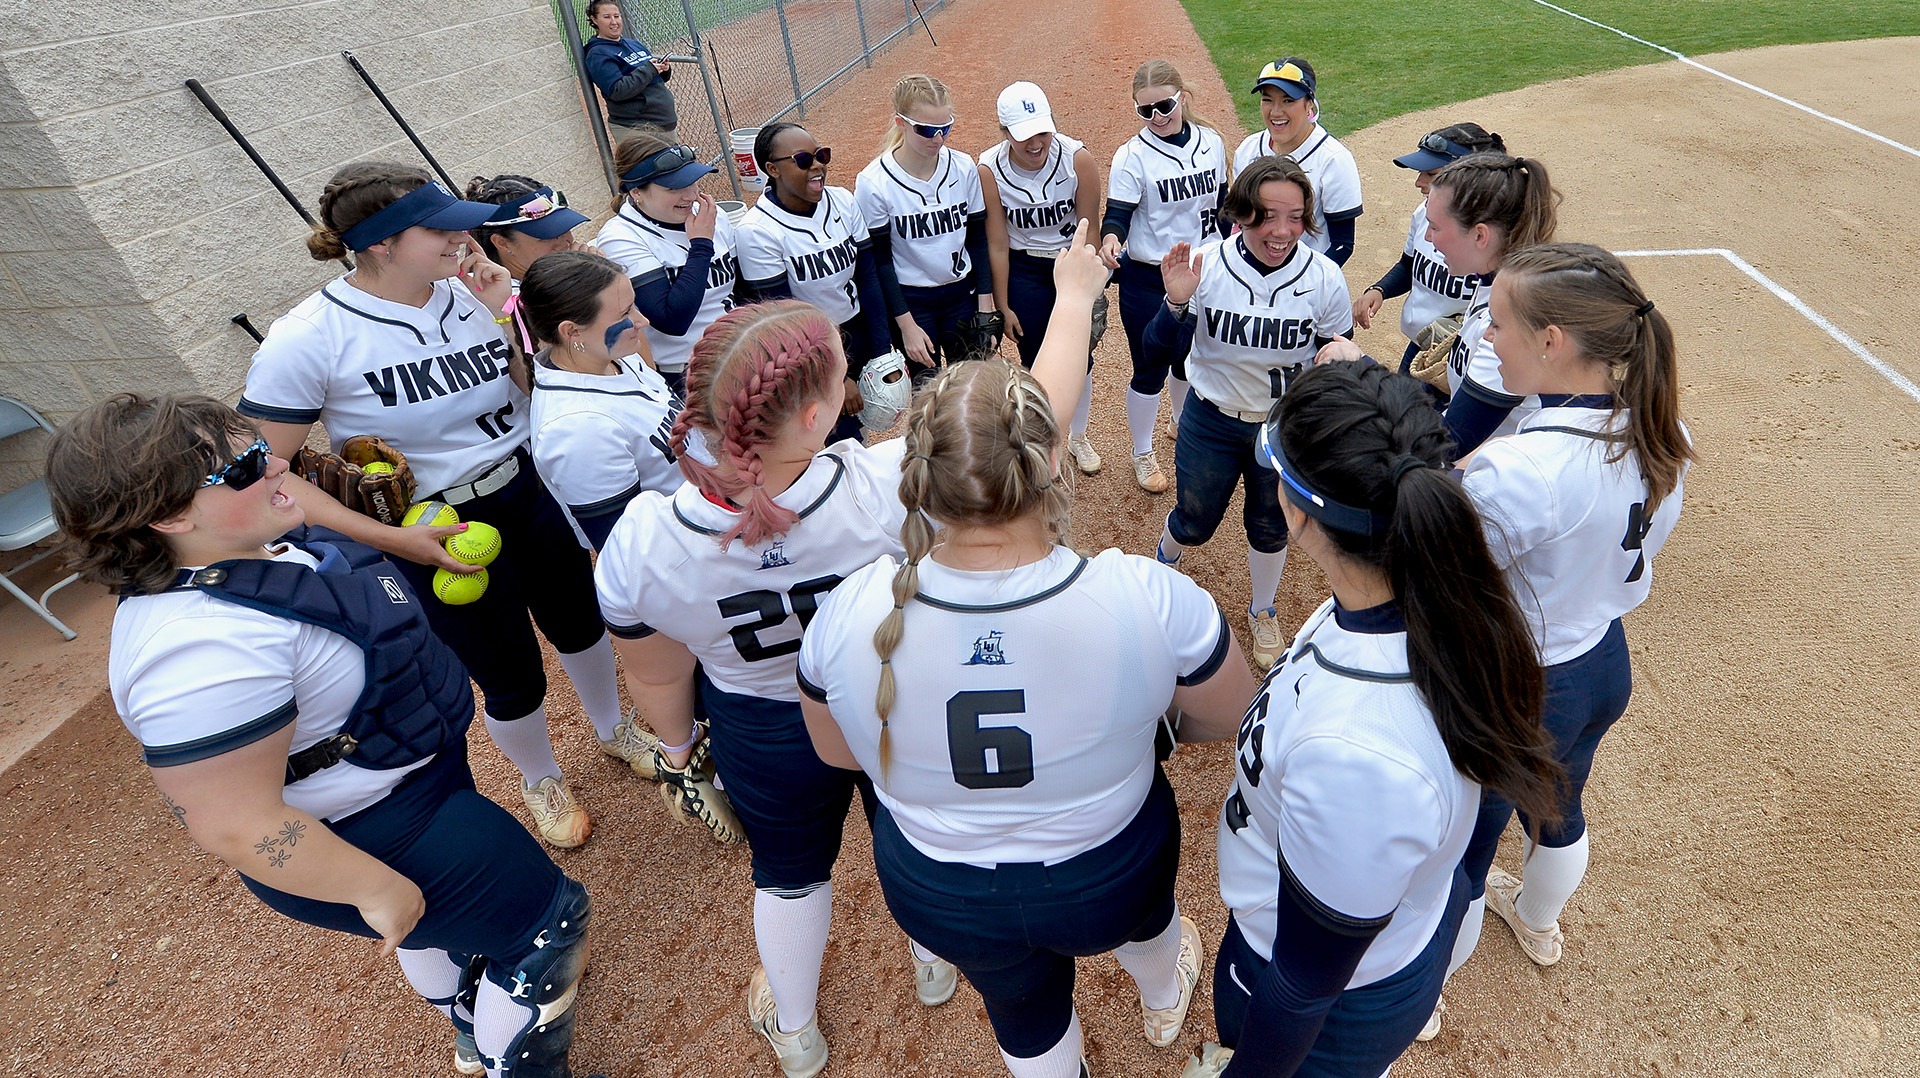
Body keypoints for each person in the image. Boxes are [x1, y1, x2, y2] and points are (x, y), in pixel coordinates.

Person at [797, 223, 1261, 1078]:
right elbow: (1232, 714)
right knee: (1150, 925)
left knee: (1020, 1012)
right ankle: (1164, 999)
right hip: (1107, 867)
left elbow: (838, 751)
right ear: (1051, 464)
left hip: (941, 889)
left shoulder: (852, 607)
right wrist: (1143, 732)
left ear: (917, 474)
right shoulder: (1140, 592)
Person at [50, 394, 600, 1078]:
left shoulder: (249, 543)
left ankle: (469, 1023)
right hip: (369, 830)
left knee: (450, 926)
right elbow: (233, 823)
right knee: (547, 924)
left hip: (406, 786)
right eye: (247, 464)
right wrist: (370, 885)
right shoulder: (193, 652)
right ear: (170, 515)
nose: (278, 461)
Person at [593, 299, 954, 1078]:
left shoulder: (642, 540)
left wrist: (681, 751)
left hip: (762, 723)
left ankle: (796, 1031)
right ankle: (935, 963)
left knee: (789, 874)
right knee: (913, 839)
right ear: (820, 414)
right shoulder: (886, 480)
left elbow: (657, 672)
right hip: (888, 702)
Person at [237, 161, 634, 850]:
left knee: (582, 620)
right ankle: (540, 777)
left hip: (530, 486)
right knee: (507, 669)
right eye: (439, 229)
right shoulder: (308, 337)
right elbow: (264, 473)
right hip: (436, 525)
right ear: (382, 243)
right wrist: (390, 543)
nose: (463, 239)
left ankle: (613, 728)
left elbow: (537, 391)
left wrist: (505, 311)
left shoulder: (471, 293)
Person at [1187, 361, 1562, 1078]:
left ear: (1296, 513)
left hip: (1325, 1002)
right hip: (1375, 956)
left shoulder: (1359, 755)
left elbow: (1302, 984)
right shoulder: (1420, 596)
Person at [1431, 242, 1692, 1033]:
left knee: (1460, 861)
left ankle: (1421, 998)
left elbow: (1436, 569)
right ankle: (1539, 923)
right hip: (1600, 662)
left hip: (1516, 680)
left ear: (1554, 342)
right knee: (1559, 806)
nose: (1485, 339)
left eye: (1500, 324)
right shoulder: (1658, 420)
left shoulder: (1524, 468)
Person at [1144, 157, 1353, 670]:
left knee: (1269, 525)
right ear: (1240, 214)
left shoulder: (1324, 277)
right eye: (1266, 215)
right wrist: (1174, 305)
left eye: (1296, 216)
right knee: (1195, 520)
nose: (1282, 231)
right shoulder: (1205, 264)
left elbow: (1334, 352)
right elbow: (1153, 353)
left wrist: (1341, 356)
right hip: (1211, 418)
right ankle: (1165, 562)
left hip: (1280, 428)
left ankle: (1263, 609)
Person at [1098, 59, 1231, 494]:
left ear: (1183, 97)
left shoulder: (1211, 142)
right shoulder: (1132, 156)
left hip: (1200, 271)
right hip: (1147, 278)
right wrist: (1111, 239)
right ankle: (1141, 451)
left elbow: (1224, 207)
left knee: (1188, 358)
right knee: (1149, 365)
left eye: (1165, 105)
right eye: (1146, 110)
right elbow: (1116, 215)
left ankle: (1178, 420)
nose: (1157, 116)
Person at [515, 249, 682, 553]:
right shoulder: (579, 428)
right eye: (625, 314)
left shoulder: (613, 357)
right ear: (571, 331)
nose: (642, 320)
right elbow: (628, 548)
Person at [736, 121, 892, 443]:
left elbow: (867, 276)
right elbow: (784, 321)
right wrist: (836, 377)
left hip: (857, 329)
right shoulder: (757, 231)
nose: (818, 165)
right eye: (804, 160)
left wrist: (882, 350)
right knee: (834, 441)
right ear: (772, 169)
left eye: (821, 155)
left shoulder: (843, 201)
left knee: (871, 420)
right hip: (809, 352)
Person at [978, 80, 1105, 475]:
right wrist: (1004, 303)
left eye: (1042, 131)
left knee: (1079, 360)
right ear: (1004, 133)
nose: (1035, 143)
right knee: (1036, 361)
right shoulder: (989, 168)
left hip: (1070, 261)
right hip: (1026, 271)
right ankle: (1044, 444)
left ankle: (1077, 436)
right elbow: (997, 243)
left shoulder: (1076, 158)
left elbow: (1091, 228)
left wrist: (1091, 288)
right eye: (1022, 136)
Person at [855, 74, 994, 384]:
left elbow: (977, 239)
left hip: (962, 295)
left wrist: (985, 306)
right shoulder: (874, 182)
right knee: (926, 395)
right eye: (927, 130)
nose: (938, 139)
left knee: (971, 392)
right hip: (911, 303)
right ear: (900, 123)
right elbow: (880, 261)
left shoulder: (962, 167)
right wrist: (905, 325)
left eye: (945, 129)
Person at [1421, 152, 1560, 455]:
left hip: (1510, 486)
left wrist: (1364, 372)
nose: (1428, 237)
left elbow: (1445, 447)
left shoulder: (1515, 318)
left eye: (1435, 227)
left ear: (1480, 236)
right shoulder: (1498, 283)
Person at [596, 127, 742, 398]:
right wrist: (700, 246)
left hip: (742, 350)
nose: (690, 195)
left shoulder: (712, 214)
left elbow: (741, 288)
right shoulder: (621, 236)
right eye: (674, 187)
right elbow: (672, 320)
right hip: (688, 374)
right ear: (637, 191)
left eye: (692, 182)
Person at [1350, 124, 1506, 375]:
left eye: (1431, 174)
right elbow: (1409, 264)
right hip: (1420, 344)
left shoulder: (1492, 242)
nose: (1419, 182)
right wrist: (1380, 290)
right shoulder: (1425, 213)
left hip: (1462, 356)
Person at [1228, 58, 1362, 267]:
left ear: (1309, 103)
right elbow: (1238, 223)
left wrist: (1301, 282)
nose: (1276, 111)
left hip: (1303, 284)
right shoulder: (1248, 149)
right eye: (1267, 99)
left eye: (1288, 100)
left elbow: (1342, 244)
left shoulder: (1334, 160)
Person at [464, 174, 593, 285]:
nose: (567, 241)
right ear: (502, 243)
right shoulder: (497, 302)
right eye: (547, 235)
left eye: (566, 227)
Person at [582, 0, 677, 137]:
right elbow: (617, 90)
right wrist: (649, 69)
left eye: (617, 16)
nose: (614, 22)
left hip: (662, 122)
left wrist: (663, 69)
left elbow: (653, 77)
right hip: (638, 128)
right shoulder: (597, 54)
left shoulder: (632, 44)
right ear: (594, 20)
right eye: (607, 17)